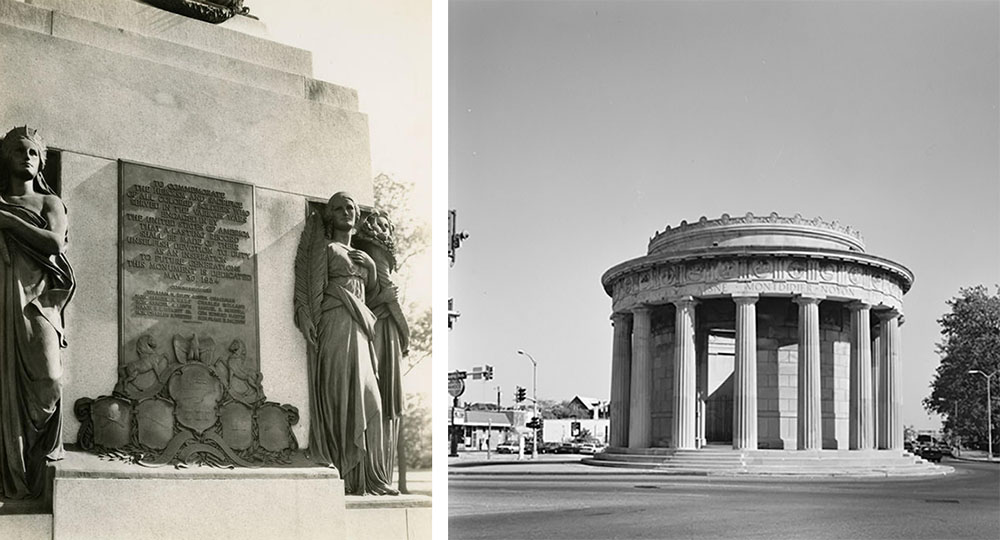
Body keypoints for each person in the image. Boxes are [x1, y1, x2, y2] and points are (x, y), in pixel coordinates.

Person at [293, 192, 396, 495]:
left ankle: (372, 477)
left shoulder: (361, 256)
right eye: (338, 208)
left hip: (363, 330)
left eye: (350, 207)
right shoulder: (326, 249)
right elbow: (310, 289)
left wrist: (373, 269)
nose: (346, 212)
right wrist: (307, 317)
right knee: (341, 393)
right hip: (337, 325)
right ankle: (344, 469)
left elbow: (373, 296)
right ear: (329, 216)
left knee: (371, 399)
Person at [0, 127, 75, 499]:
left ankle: (38, 458)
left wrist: (8, 220)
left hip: (38, 302)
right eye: (19, 151)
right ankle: (11, 473)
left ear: (42, 161)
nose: (26, 157)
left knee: (49, 380)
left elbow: (53, 243)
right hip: (1, 298)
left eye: (33, 153)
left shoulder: (49, 204)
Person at [355, 211, 408, 486]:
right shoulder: (376, 250)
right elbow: (390, 299)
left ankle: (376, 472)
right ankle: (375, 472)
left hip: (379, 328)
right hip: (382, 329)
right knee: (381, 396)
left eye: (388, 225)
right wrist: (407, 334)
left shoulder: (371, 251)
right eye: (382, 225)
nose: (385, 229)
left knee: (382, 398)